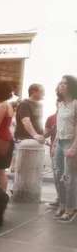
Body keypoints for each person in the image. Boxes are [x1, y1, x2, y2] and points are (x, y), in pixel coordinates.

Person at [52, 75, 77, 223]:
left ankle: (71, 208)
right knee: (58, 175)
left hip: (71, 142)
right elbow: (58, 126)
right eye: (60, 83)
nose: (61, 85)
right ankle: (62, 204)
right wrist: (55, 144)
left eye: (65, 83)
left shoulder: (75, 103)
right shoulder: (60, 104)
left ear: (71, 86)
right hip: (60, 142)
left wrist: (74, 147)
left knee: (69, 178)